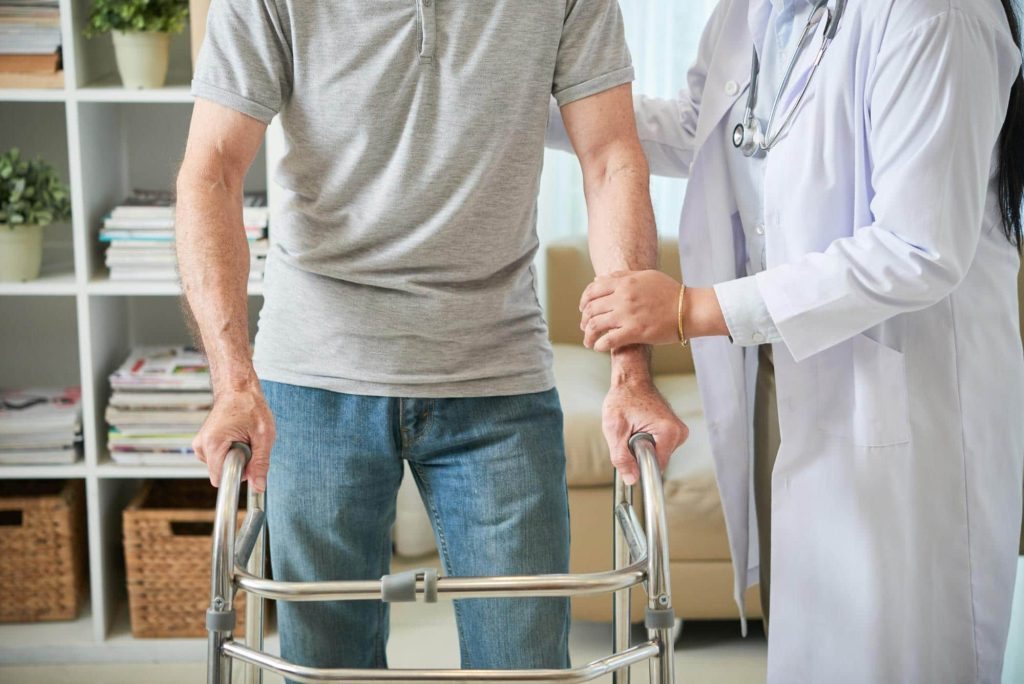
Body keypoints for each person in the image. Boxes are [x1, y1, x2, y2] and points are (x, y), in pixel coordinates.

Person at [175, 0, 687, 676]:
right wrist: (235, 385)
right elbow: (210, 170)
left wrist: (631, 374)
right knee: (328, 666)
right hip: (316, 374)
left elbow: (611, 157)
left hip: (497, 377)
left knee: (524, 663)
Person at [550, 0, 1024, 680]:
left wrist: (692, 308)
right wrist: (550, 98)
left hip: (908, 403)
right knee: (813, 640)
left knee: (900, 652)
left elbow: (918, 250)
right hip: (789, 372)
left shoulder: (935, 15)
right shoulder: (755, 11)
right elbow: (702, 127)